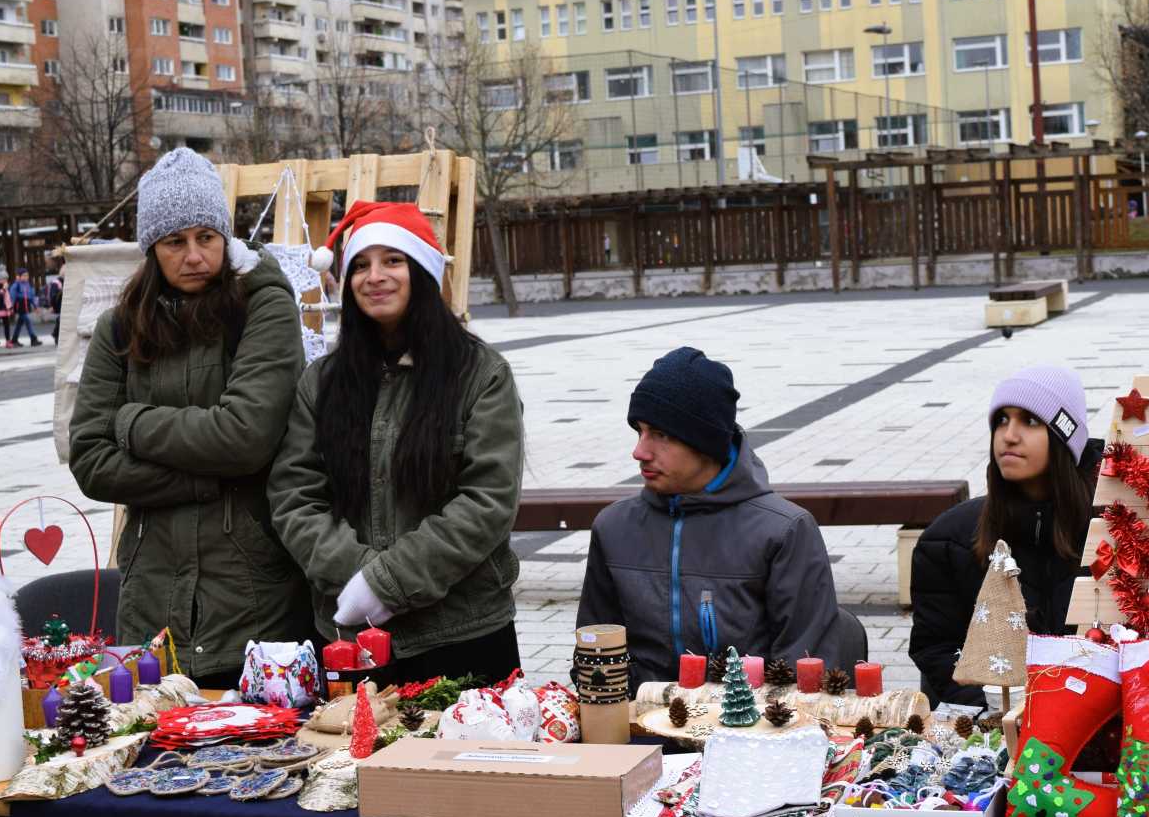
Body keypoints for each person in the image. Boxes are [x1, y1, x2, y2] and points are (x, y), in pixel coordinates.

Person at [69, 147, 309, 691]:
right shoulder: (117, 329)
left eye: (207, 237)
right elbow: (90, 461)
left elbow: (245, 436)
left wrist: (130, 423)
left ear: (226, 238)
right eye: (176, 241)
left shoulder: (262, 307)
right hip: (151, 596)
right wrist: (209, 476)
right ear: (152, 248)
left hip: (251, 593)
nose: (194, 254)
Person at [270, 201, 526, 684]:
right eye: (361, 265)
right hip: (350, 637)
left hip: (461, 633)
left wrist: (386, 582)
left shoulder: (480, 375)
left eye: (393, 260)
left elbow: (486, 502)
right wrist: (358, 575)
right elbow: (294, 497)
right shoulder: (322, 383)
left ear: (422, 272)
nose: (375, 277)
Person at [576, 347, 864, 687]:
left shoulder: (784, 530)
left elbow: (803, 672)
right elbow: (595, 655)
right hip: (636, 727)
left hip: (748, 728)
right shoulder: (614, 527)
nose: (639, 451)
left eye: (661, 434)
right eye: (639, 431)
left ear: (705, 442)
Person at [908, 366, 1103, 708]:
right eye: (1001, 420)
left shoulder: (1115, 534)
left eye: (1029, 421)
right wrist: (1006, 709)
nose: (1008, 435)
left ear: (1064, 436)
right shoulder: (947, 539)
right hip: (990, 733)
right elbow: (936, 648)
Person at [8, 267, 42, 347]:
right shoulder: (16, 285)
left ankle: (14, 340)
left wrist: (35, 306)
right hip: (20, 306)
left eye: (27, 275)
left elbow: (31, 296)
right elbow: (12, 297)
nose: (26, 277)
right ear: (18, 277)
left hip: (26, 305)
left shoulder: (28, 285)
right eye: (24, 275)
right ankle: (33, 339)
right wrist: (11, 307)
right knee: (27, 321)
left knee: (20, 323)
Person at [47, 271, 64, 344]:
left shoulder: (62, 282)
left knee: (60, 319)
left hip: (61, 304)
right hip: (59, 304)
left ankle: (56, 334)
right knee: (60, 319)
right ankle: (56, 335)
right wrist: (52, 306)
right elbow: (53, 296)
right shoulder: (56, 283)